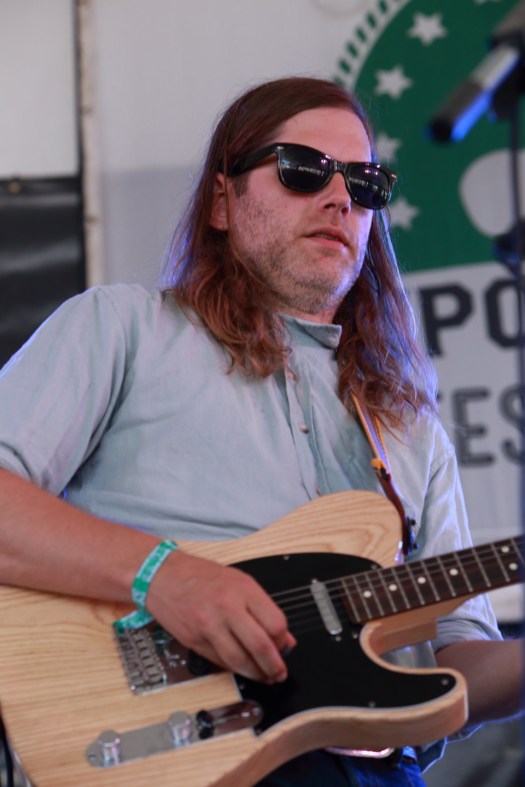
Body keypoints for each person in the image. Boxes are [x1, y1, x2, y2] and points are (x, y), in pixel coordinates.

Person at [0, 76, 521, 786]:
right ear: (222, 200)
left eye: (364, 183)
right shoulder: (122, 327)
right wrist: (162, 574)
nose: (339, 198)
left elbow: (459, 661)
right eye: (304, 169)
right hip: (163, 752)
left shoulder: (408, 427)